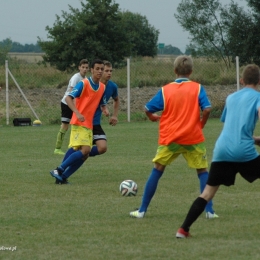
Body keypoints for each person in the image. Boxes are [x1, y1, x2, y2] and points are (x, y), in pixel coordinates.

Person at [176, 64, 260, 238]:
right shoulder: (258, 98)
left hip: (222, 149)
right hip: (243, 151)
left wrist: (254, 140)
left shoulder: (230, 98)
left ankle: (183, 230)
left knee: (207, 193)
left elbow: (232, 126)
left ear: (241, 80)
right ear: (259, 81)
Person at [130, 55, 218, 219]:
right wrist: (201, 124)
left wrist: (151, 117)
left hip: (170, 138)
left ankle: (142, 210)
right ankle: (209, 211)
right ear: (191, 72)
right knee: (202, 171)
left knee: (158, 169)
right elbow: (207, 109)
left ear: (174, 71)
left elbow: (147, 108)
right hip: (192, 137)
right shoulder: (197, 88)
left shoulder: (166, 90)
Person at [53, 60, 119, 184]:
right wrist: (77, 113)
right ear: (92, 70)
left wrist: (106, 109)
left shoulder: (105, 87)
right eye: (101, 69)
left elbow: (105, 101)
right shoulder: (84, 83)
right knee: (82, 150)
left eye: (106, 70)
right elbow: (68, 97)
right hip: (81, 122)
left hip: (92, 123)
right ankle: (60, 170)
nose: (104, 72)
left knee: (95, 149)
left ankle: (63, 174)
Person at [54, 59, 89, 155]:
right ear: (79, 67)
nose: (85, 69)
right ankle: (57, 148)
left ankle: (76, 146)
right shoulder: (76, 78)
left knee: (77, 126)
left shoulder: (85, 79)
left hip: (75, 106)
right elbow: (71, 95)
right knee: (65, 126)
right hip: (67, 104)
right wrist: (76, 109)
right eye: (83, 67)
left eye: (86, 68)